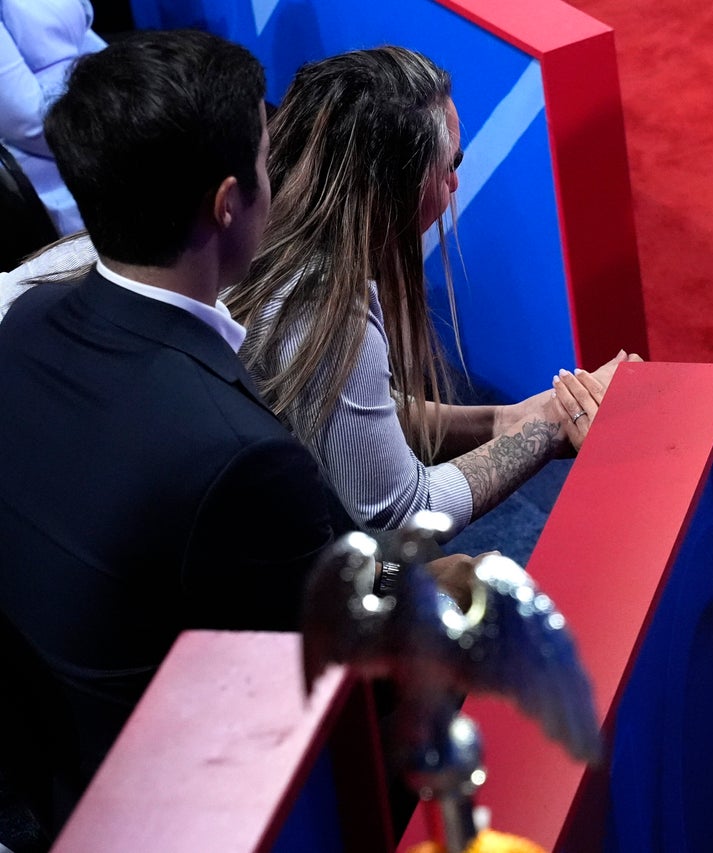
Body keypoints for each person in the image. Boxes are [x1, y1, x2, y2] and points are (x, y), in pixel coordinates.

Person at [0, 30, 358, 841]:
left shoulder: (23, 325)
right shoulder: (237, 454)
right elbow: (345, 667)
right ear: (229, 202)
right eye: (270, 163)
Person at [222, 47, 635, 538]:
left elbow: (365, 411)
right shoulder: (324, 311)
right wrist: (549, 423)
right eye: (447, 167)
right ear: (394, 189)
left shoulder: (257, 226)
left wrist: (512, 417)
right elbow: (403, 509)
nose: (456, 182)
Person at [0, 0, 105, 234]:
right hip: (53, 163)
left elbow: (83, 40)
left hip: (99, 117)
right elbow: (25, 120)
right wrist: (125, 133)